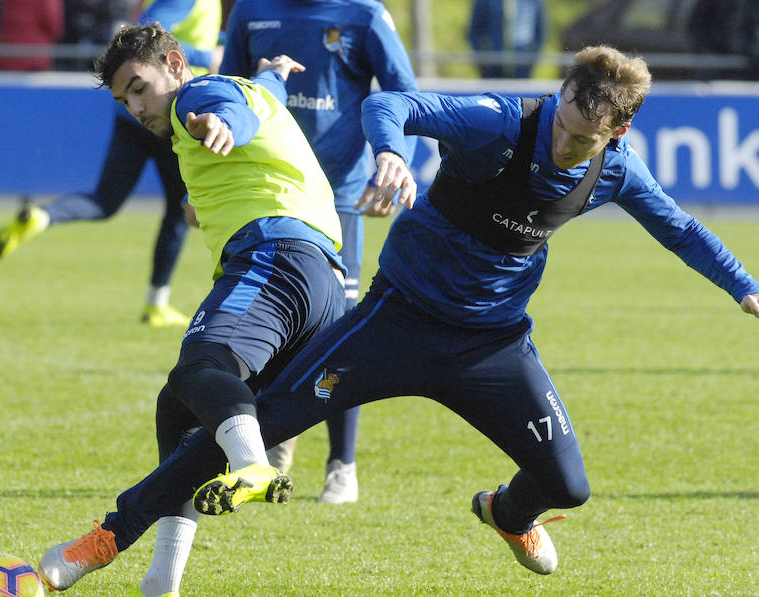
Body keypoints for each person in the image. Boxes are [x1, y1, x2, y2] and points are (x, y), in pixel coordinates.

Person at [37, 45, 759, 591]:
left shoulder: (619, 172)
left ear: (620, 128)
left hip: (492, 345)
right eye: (563, 119)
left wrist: (744, 287)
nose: (561, 142)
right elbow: (391, 105)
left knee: (569, 486)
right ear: (560, 93)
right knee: (255, 423)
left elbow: (682, 230)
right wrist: (391, 156)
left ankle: (507, 513)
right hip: (394, 321)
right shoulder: (499, 122)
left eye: (579, 138)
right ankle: (103, 539)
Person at [37, 24, 348, 593]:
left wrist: (223, 125)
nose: (136, 107)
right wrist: (276, 71)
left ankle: (255, 464)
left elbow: (227, 110)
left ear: (175, 63)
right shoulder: (247, 87)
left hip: (275, 256)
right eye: (123, 99)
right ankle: (147, 571)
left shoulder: (196, 100)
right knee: (181, 415)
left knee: (200, 368)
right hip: (325, 286)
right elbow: (267, 94)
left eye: (138, 87)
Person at [219, 0, 418, 504]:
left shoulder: (365, 15)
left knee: (337, 332)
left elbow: (403, 94)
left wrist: (393, 159)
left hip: (338, 195)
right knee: (272, 320)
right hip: (268, 194)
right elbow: (231, 94)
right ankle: (279, 432)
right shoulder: (250, 11)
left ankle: (341, 462)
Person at [0, 0, 223, 327]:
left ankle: (43, 216)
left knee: (105, 200)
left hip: (132, 115)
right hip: (166, 110)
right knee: (180, 208)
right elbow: (148, 30)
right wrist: (206, 57)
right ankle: (157, 303)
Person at [468, 0, 546, 78]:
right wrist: (484, 60)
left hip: (523, 69)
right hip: (491, 69)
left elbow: (540, 35)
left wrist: (530, 59)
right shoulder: (483, 1)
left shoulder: (534, 2)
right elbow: (474, 33)